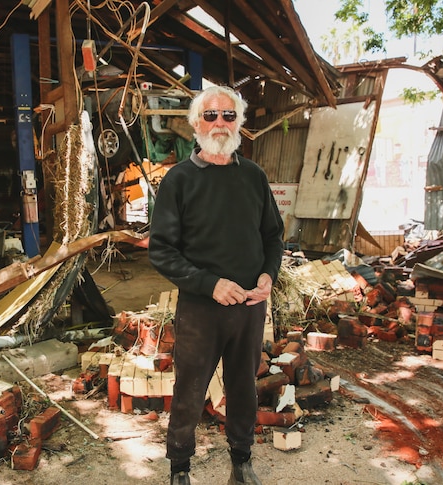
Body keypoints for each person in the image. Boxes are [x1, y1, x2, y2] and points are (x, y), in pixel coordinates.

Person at [149, 85, 284, 485]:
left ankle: (241, 463)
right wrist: (210, 285)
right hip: (201, 310)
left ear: (239, 122)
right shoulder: (179, 179)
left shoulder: (254, 176)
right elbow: (162, 251)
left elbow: (273, 237)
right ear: (195, 124)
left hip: (248, 307)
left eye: (228, 115)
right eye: (211, 115)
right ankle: (180, 469)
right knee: (189, 391)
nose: (220, 123)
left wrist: (268, 274)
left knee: (244, 387)